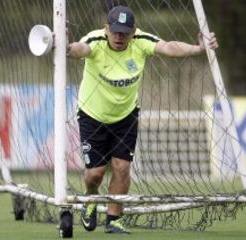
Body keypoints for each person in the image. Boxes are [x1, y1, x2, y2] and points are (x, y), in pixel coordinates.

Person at [67, 5, 218, 234]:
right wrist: (67, 49)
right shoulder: (95, 41)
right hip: (92, 116)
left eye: (125, 32)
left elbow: (168, 47)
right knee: (95, 174)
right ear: (106, 29)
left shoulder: (140, 41)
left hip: (126, 117)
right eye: (115, 31)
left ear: (133, 31)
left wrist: (199, 48)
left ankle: (114, 219)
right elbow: (81, 49)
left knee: (122, 167)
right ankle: (90, 199)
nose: (119, 37)